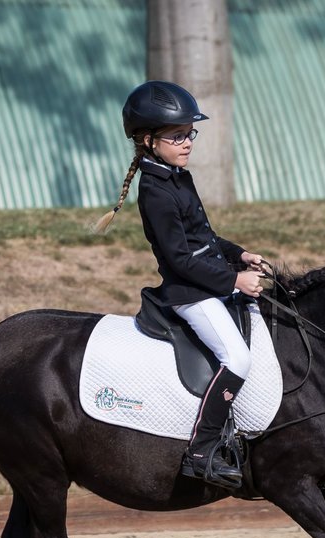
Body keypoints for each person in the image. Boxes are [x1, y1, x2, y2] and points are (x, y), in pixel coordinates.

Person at [94, 80, 268, 488]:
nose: (187, 141)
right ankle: (202, 450)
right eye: (177, 135)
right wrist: (235, 279)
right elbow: (180, 259)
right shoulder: (155, 190)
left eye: (190, 132)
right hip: (190, 293)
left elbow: (203, 237)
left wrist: (238, 253)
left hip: (210, 282)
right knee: (238, 359)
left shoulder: (176, 176)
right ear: (149, 140)